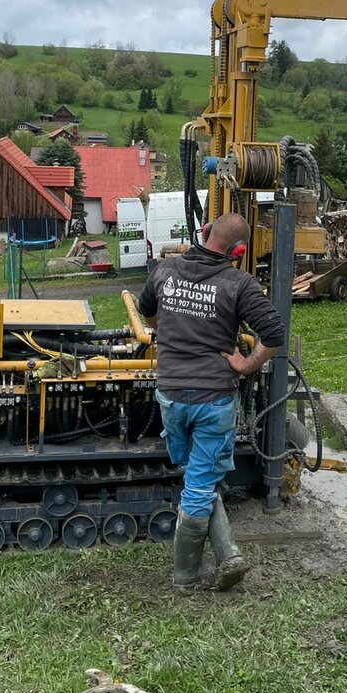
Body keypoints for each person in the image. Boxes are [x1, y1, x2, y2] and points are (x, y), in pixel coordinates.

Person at [137, 212, 285, 591]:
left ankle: (227, 553)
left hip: (171, 396)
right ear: (238, 251)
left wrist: (166, 327)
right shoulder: (239, 283)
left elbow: (146, 312)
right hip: (213, 400)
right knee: (201, 483)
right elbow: (274, 332)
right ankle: (186, 576)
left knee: (196, 476)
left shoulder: (165, 269)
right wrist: (246, 363)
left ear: (204, 233)